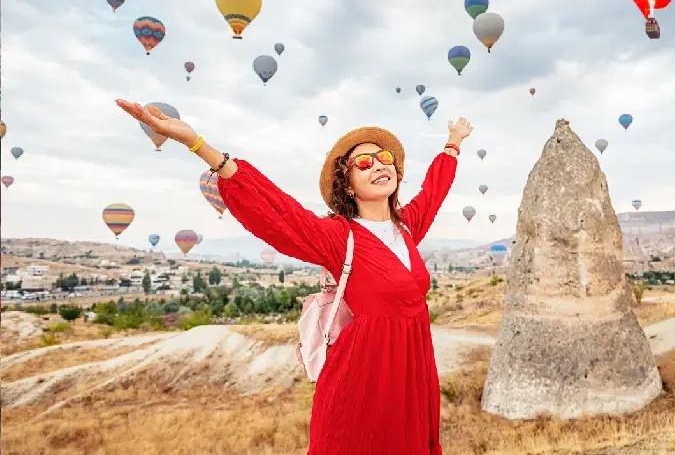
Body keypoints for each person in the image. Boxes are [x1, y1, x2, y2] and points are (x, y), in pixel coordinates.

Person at [116, 99, 473, 455]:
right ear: (347, 185)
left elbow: (434, 189)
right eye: (364, 162)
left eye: (385, 159)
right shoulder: (338, 236)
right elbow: (278, 209)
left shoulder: (408, 227)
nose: (379, 165)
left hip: (412, 369)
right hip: (365, 373)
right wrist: (198, 144)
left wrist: (453, 142)